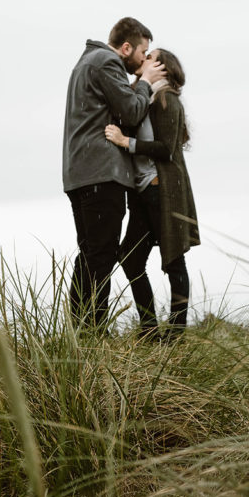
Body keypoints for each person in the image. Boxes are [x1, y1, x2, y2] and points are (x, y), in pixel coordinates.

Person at [62, 17, 166, 329]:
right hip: (101, 172)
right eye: (142, 52)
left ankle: (81, 331)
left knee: (90, 253)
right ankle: (93, 329)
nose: (144, 60)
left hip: (79, 172)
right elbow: (132, 110)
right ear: (125, 47)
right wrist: (146, 81)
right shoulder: (106, 62)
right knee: (102, 255)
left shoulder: (86, 63)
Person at [105, 48, 199, 339]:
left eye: (149, 56)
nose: (142, 59)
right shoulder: (146, 97)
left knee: (173, 259)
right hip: (143, 191)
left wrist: (125, 142)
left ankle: (176, 333)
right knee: (131, 258)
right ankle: (149, 330)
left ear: (161, 66)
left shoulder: (167, 98)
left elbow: (165, 149)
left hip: (162, 190)